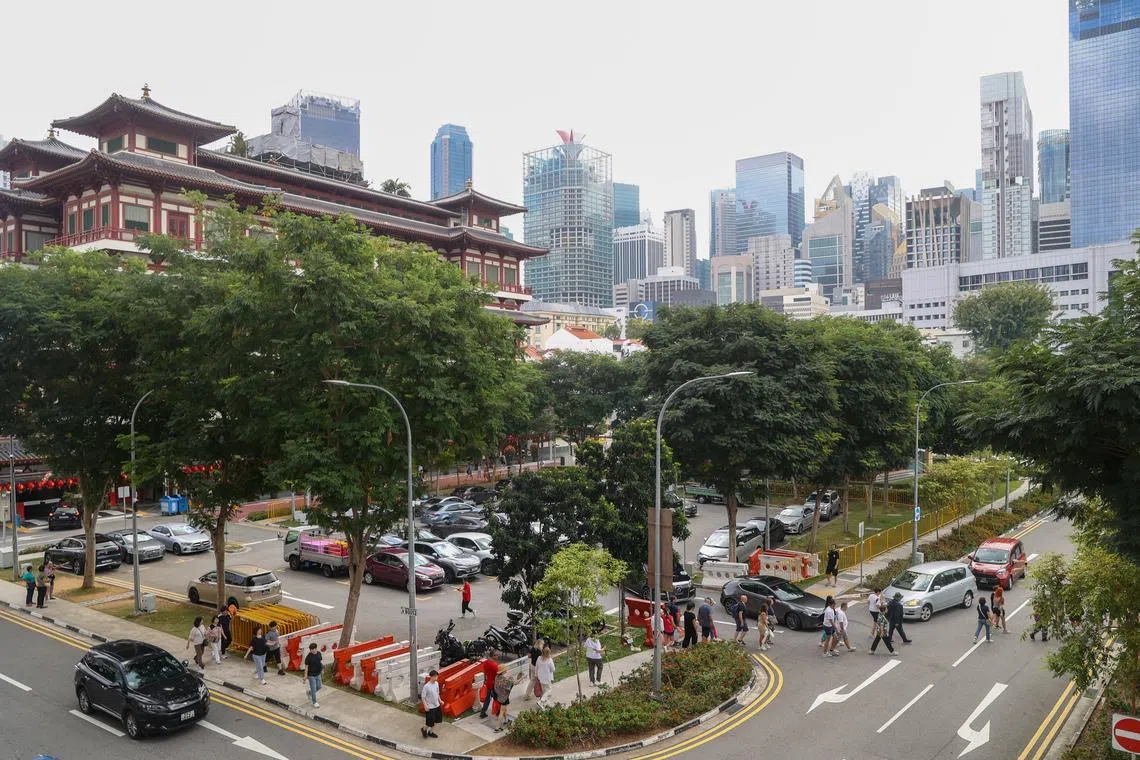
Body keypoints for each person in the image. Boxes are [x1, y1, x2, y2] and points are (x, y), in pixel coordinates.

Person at [478, 650, 500, 719]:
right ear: (493, 656)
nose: (498, 656)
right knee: (497, 698)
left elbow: (485, 672)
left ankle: (483, 712)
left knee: (488, 698)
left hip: (488, 683)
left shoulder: (486, 662)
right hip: (494, 684)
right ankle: (498, 711)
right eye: (496, 655)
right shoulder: (494, 665)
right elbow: (498, 675)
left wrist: (485, 680)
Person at [421, 669, 442, 738]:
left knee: (436, 721)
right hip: (430, 707)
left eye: (437, 676)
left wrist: (440, 700)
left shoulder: (436, 684)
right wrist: (425, 706)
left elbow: (437, 693)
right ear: (431, 677)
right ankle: (424, 729)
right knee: (429, 723)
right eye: (435, 676)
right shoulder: (426, 686)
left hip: (437, 706)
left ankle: (430, 732)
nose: (437, 678)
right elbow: (423, 697)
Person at [304, 642, 323, 707]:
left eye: (314, 649)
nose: (313, 650)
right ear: (310, 650)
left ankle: (309, 693)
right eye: (311, 649)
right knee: (313, 689)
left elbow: (320, 662)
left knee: (319, 687)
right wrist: (305, 676)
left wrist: (322, 670)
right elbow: (306, 667)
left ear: (316, 648)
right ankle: (314, 702)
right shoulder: (308, 657)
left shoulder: (319, 654)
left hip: (318, 673)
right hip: (311, 675)